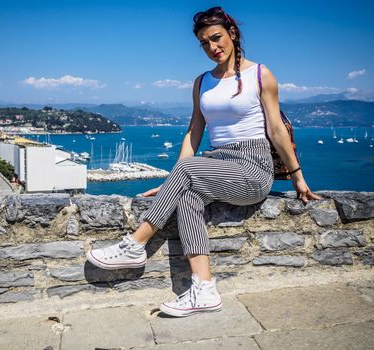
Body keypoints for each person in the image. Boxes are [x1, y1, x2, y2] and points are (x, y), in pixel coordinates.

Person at [86, 6, 321, 317]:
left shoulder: (261, 74)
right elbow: (195, 131)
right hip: (217, 162)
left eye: (217, 38)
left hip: (253, 169)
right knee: (187, 197)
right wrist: (173, 183)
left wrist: (297, 176)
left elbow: (277, 129)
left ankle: (134, 245)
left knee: (184, 172)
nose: (213, 48)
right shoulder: (201, 82)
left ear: (232, 34)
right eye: (205, 43)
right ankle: (204, 289)